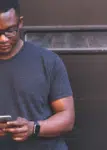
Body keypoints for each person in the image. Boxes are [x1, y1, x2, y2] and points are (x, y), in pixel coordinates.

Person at [0, 0, 75, 150]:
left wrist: (33, 128)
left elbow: (67, 118)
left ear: (20, 23)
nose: (3, 39)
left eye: (10, 30)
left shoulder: (48, 61)